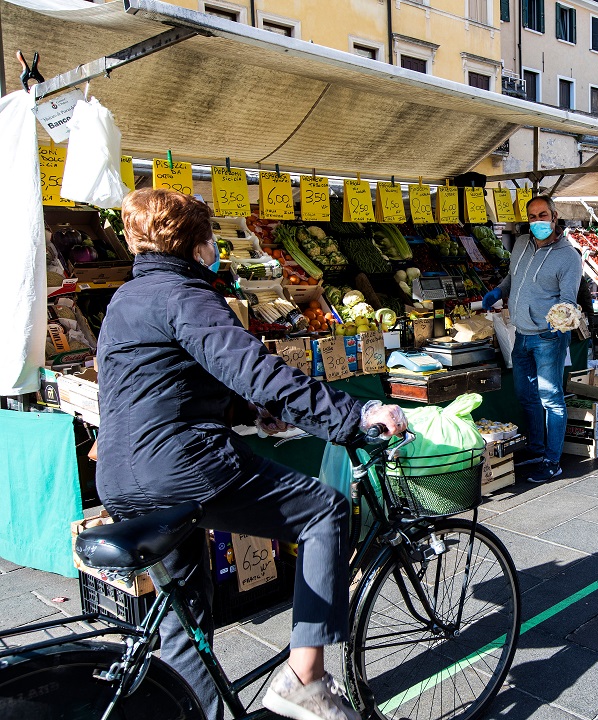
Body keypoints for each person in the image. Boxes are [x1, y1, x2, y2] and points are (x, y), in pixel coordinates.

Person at [96, 188, 408, 720]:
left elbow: (170, 379)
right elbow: (255, 369)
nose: (215, 246)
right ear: (196, 245)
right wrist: (350, 418)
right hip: (181, 468)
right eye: (210, 237)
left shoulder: (127, 298)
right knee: (325, 511)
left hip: (121, 475)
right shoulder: (185, 295)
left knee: (182, 623)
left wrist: (251, 411)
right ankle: (306, 679)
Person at [482, 195, 582, 484]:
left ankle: (552, 461)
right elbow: (512, 278)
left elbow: (567, 302)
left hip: (548, 338)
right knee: (527, 397)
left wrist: (556, 326)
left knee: (551, 398)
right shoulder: (522, 244)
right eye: (532, 216)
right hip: (521, 334)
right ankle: (537, 451)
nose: (537, 221)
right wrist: (499, 292)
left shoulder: (568, 257)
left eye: (542, 215)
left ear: (554, 216)